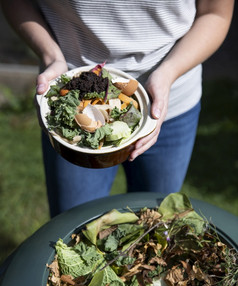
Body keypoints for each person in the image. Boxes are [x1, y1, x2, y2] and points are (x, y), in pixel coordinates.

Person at [1, 0, 234, 218]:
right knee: (74, 228)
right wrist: (51, 55)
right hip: (71, 115)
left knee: (153, 220)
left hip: (170, 102)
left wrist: (168, 73)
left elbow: (215, 13)